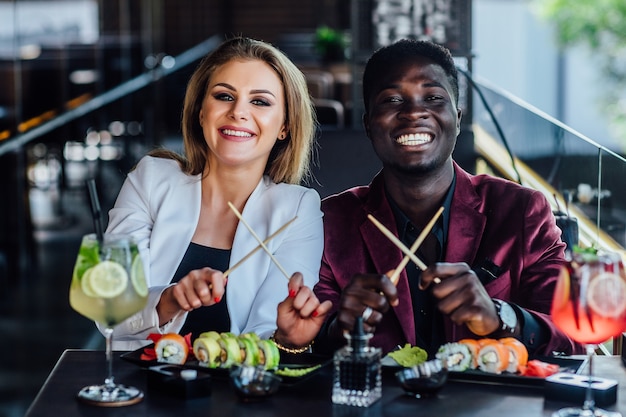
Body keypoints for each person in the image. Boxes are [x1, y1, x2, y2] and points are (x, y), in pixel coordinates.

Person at [312, 39, 583, 357]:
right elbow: (305, 343)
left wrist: (500, 317)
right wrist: (338, 328)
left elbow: (571, 338)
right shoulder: (330, 220)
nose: (414, 112)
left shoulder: (523, 211)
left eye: (433, 97)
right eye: (392, 100)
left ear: (458, 117)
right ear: (368, 124)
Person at [103, 36, 331, 350]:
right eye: (224, 96)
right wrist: (170, 299)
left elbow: (266, 332)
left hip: (235, 393)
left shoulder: (297, 210)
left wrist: (287, 337)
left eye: (260, 101)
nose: (238, 112)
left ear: (285, 126)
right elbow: (110, 312)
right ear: (200, 112)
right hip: (139, 387)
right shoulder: (151, 178)